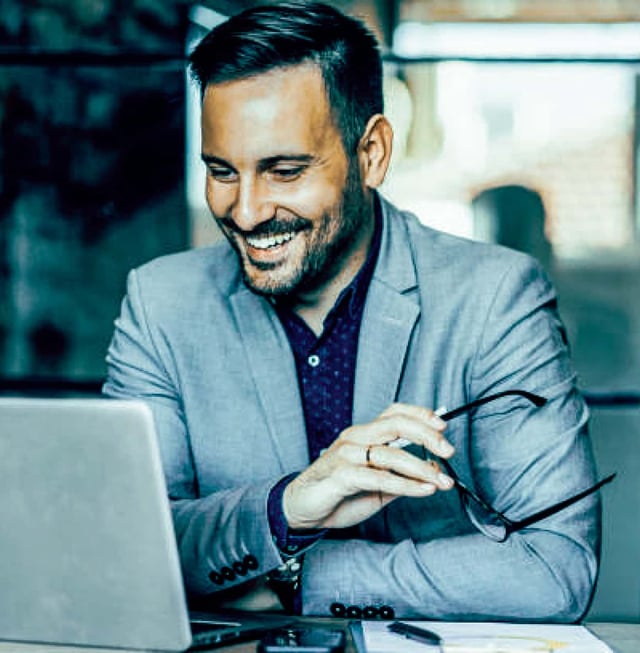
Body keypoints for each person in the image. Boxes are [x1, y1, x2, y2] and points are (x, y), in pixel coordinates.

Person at [104, 1, 601, 621]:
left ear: (370, 153)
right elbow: (129, 548)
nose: (247, 211)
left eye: (285, 171)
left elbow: (556, 569)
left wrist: (298, 578)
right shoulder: (160, 304)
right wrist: (286, 508)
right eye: (221, 171)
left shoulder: (495, 298)